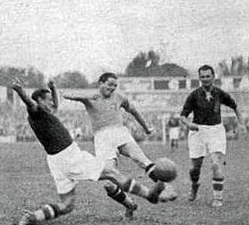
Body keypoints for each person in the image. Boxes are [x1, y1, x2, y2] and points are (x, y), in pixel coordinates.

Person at [11, 78, 167, 225]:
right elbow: (29, 102)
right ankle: (149, 195)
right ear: (39, 101)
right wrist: (20, 91)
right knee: (111, 172)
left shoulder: (44, 113)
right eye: (49, 99)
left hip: (56, 161)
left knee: (66, 205)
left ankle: (34, 217)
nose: (52, 103)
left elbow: (56, 107)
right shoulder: (35, 111)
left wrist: (53, 89)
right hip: (69, 157)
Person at [63, 72, 177, 210]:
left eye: (115, 86)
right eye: (109, 84)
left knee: (141, 159)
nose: (112, 88)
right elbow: (67, 95)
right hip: (102, 138)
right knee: (109, 179)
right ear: (100, 83)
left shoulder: (120, 97)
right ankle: (129, 204)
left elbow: (134, 111)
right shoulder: (91, 98)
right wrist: (81, 96)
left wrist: (146, 127)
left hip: (119, 132)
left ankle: (166, 189)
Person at [180, 65, 243, 207]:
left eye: (208, 76)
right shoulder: (194, 95)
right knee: (195, 168)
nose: (205, 79)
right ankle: (195, 186)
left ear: (213, 77)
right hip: (197, 132)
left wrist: (242, 123)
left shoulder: (220, 93)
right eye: (202, 77)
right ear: (199, 78)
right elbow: (182, 116)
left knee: (215, 163)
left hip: (216, 130)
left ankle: (218, 198)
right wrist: (188, 124)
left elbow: (235, 106)